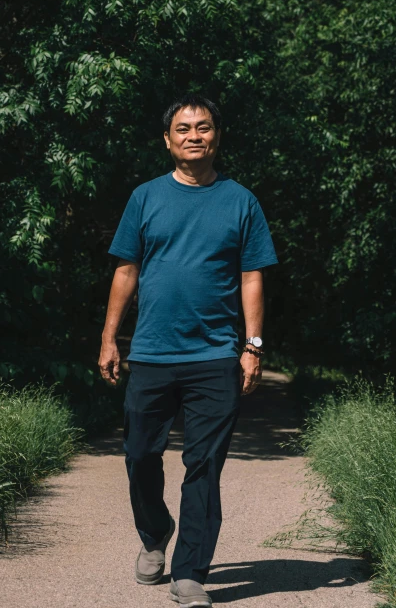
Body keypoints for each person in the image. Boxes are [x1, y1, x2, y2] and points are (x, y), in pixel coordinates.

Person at [98, 94, 278, 608]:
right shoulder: (146, 197)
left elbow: (251, 276)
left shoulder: (241, 200)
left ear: (216, 136)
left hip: (216, 355)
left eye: (202, 127)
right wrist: (110, 337)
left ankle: (190, 572)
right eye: (183, 128)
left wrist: (253, 346)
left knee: (204, 465)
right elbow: (126, 271)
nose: (193, 135)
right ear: (168, 139)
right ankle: (155, 534)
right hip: (152, 351)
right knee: (139, 457)